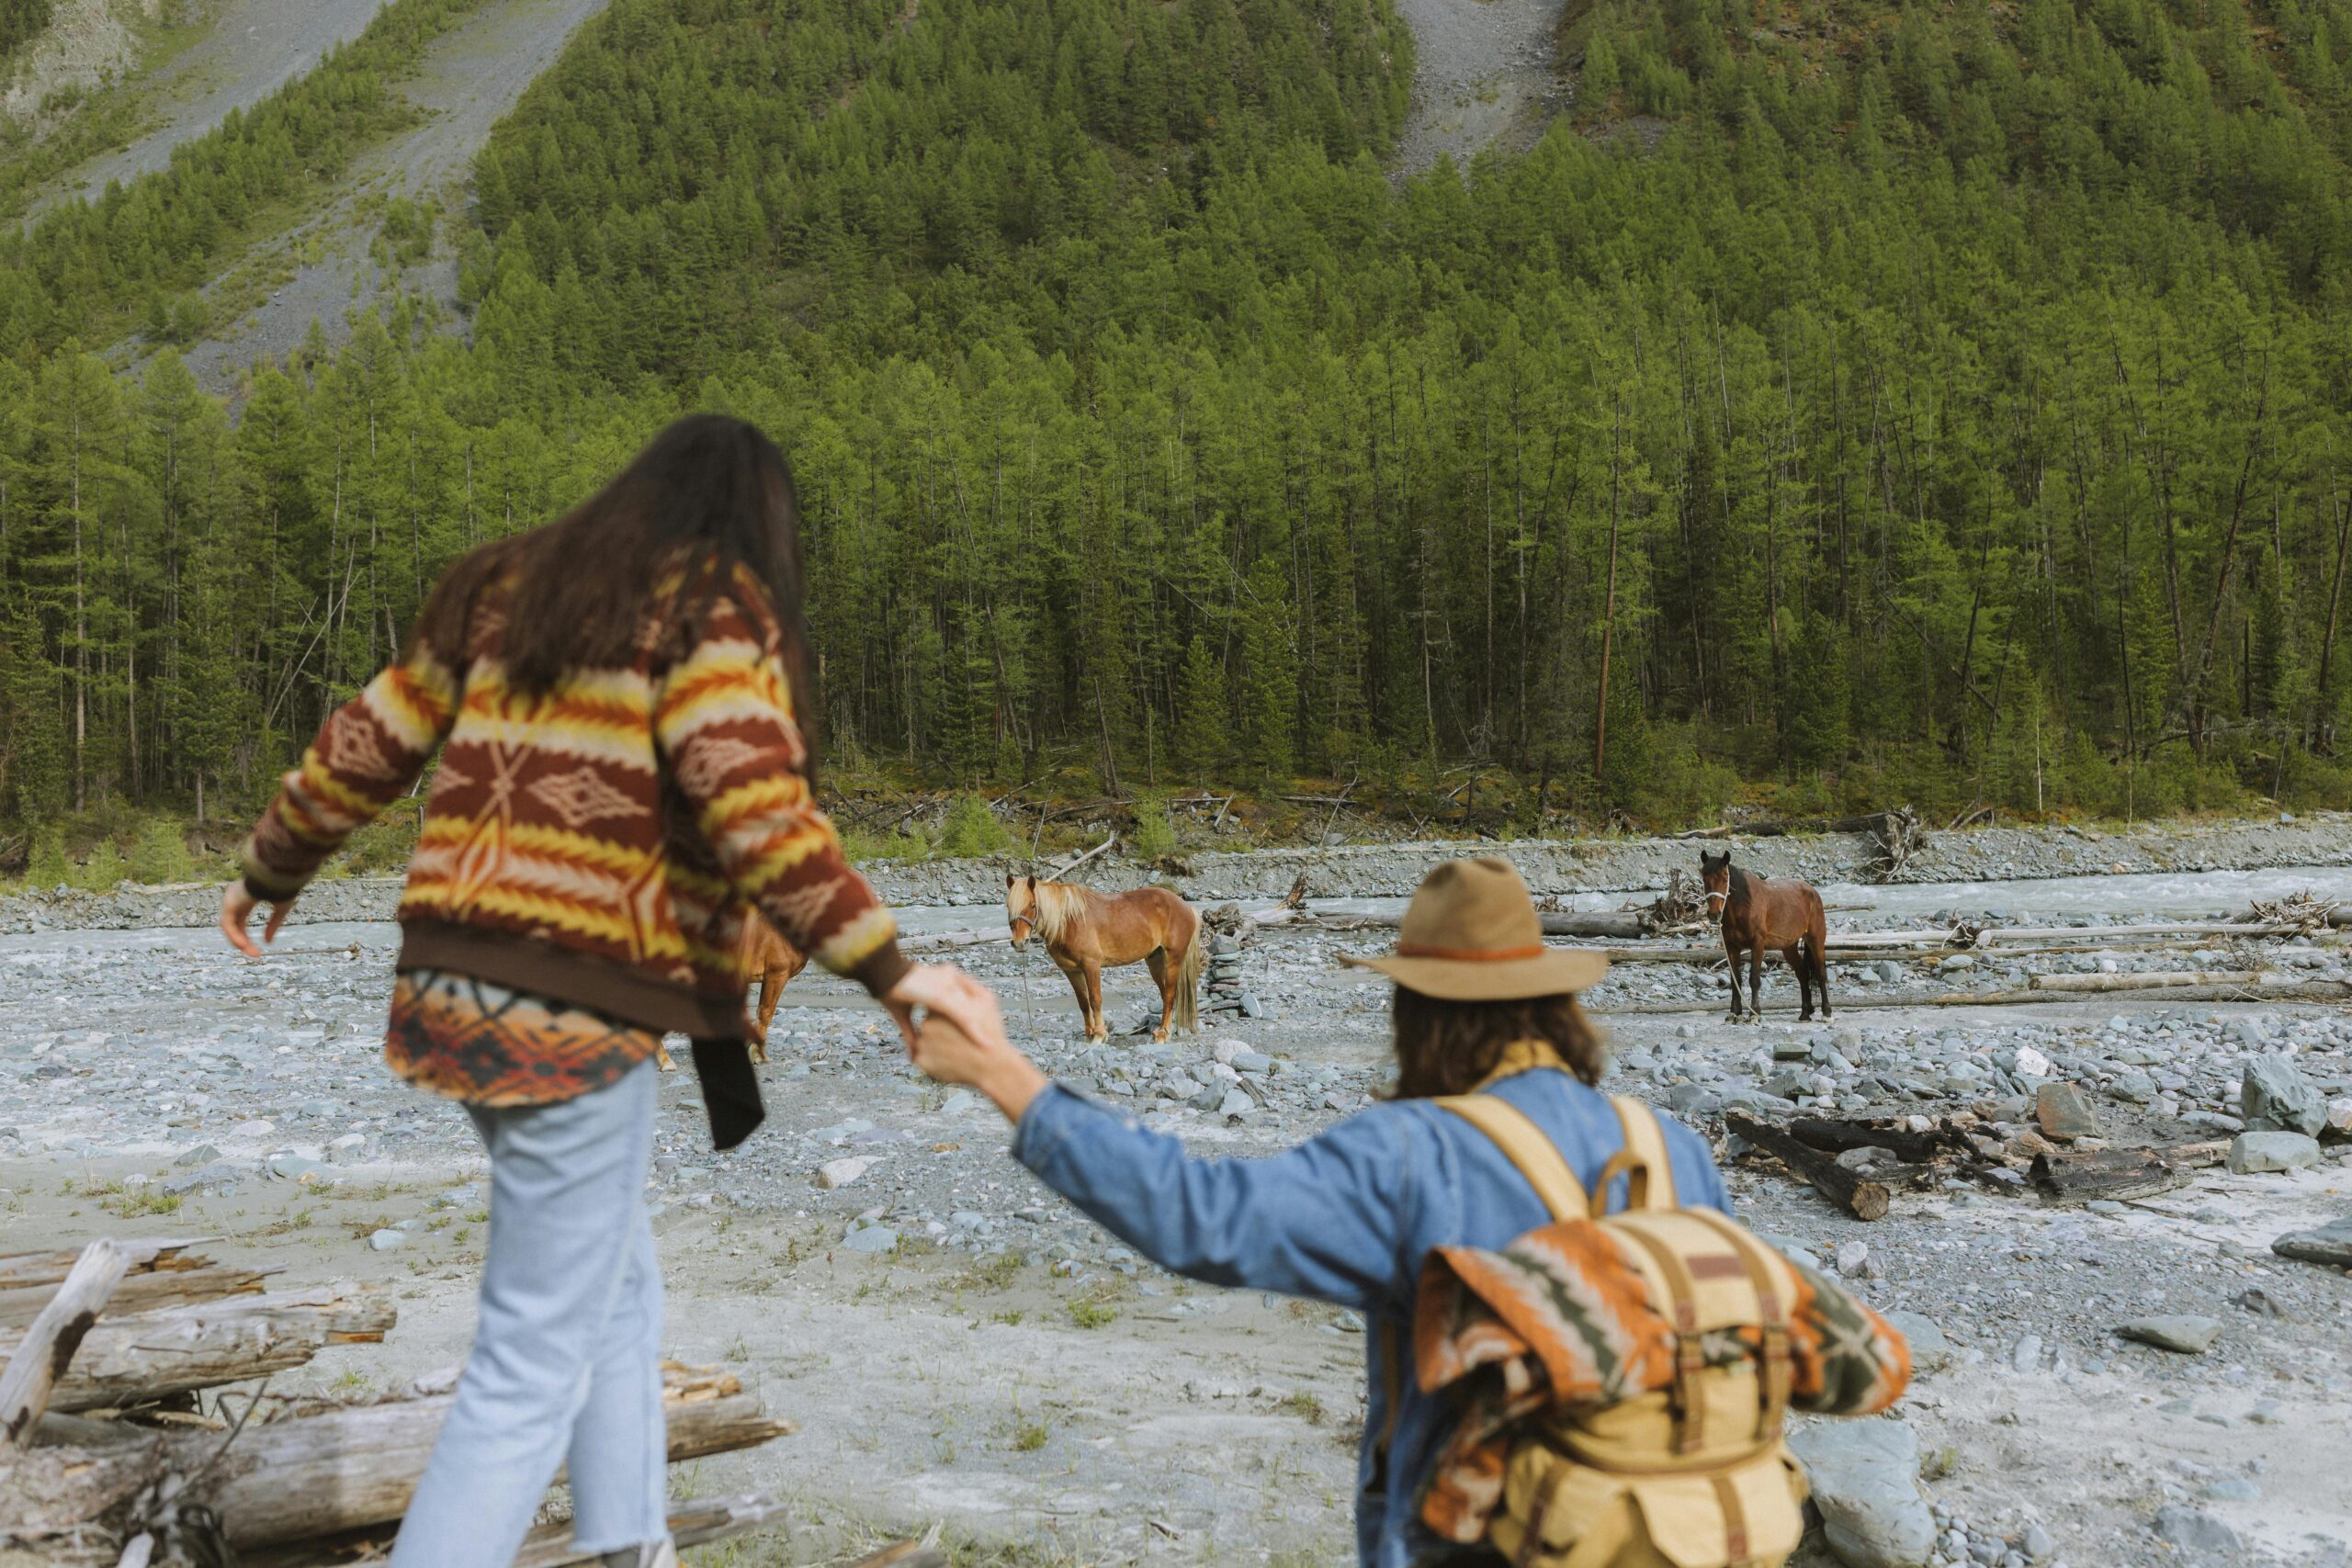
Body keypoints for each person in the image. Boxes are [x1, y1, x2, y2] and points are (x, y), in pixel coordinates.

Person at [220, 415, 996, 1568]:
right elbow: (752, 803)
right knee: (529, 1364)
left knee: (619, 1289)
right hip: (574, 1007)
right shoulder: (706, 606)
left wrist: (270, 865)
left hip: (448, 979)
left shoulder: (504, 582)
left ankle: (631, 1548)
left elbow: (370, 741)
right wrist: (889, 968)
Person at [906, 854, 1733, 1568]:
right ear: (1555, 1004)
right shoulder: (1670, 1148)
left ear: (1418, 1008)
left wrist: (1003, 1074)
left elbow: (1203, 1216)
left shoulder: (1408, 1155)